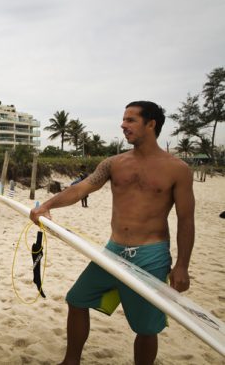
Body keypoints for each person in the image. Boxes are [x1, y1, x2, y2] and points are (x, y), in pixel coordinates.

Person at [30, 101, 194, 365]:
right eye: (123, 119)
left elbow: (186, 219)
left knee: (145, 327)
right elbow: (81, 188)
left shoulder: (178, 169)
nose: (123, 125)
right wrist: (46, 206)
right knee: (77, 299)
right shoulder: (114, 163)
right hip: (114, 250)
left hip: (151, 255)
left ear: (151, 124)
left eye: (131, 120)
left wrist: (182, 265)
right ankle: (71, 361)